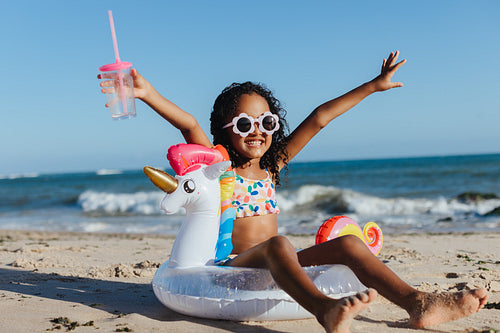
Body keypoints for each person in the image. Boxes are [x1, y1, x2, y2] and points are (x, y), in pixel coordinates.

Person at [99, 51, 488, 333]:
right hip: (230, 268)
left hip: (279, 261)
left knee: (351, 246)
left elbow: (319, 118)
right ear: (222, 130)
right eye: (244, 122)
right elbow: (187, 124)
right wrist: (146, 93)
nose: (258, 130)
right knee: (279, 244)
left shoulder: (273, 164)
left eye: (266, 121)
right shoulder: (218, 164)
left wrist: (373, 85)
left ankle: (417, 303)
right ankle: (324, 309)